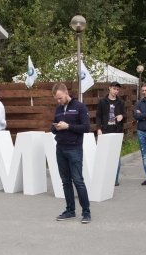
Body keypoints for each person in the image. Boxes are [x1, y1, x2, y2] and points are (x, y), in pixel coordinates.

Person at [51, 82, 91, 223]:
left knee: (78, 180)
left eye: (60, 98)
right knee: (65, 181)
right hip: (60, 148)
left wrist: (68, 126)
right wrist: (55, 127)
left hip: (74, 148)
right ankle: (70, 210)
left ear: (66, 92)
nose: (58, 101)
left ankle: (86, 212)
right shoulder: (58, 109)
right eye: (56, 99)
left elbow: (86, 127)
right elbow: (53, 127)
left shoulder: (80, 107)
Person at [95, 81, 125, 185]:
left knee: (117, 157)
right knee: (104, 156)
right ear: (109, 88)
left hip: (117, 131)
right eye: (114, 89)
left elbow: (124, 115)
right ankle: (104, 178)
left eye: (117, 89)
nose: (116, 91)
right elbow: (98, 116)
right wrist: (99, 129)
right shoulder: (102, 101)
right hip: (105, 131)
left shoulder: (120, 102)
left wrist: (122, 116)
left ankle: (115, 180)